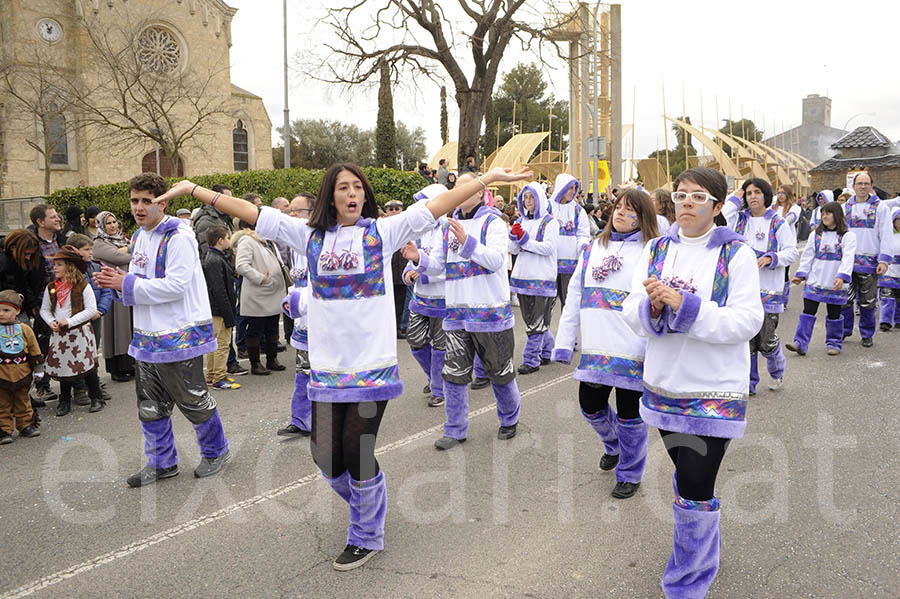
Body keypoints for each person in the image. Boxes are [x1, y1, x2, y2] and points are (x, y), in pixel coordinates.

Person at [157, 163, 532, 570]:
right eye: (342, 188)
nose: (352, 193)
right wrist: (195, 189)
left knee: (357, 450)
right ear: (330, 197)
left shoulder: (382, 232)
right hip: (327, 370)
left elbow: (440, 203)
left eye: (357, 187)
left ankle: (366, 533)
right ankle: (369, 506)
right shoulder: (309, 236)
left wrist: (488, 179)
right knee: (325, 457)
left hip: (372, 368)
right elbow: (253, 215)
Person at [622, 167, 763, 599]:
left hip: (714, 391)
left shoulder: (736, 254)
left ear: (718, 207)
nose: (687, 203)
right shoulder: (657, 249)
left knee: (695, 484)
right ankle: (700, 548)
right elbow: (629, 309)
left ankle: (688, 582)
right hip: (666, 386)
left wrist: (686, 305)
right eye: (681, 195)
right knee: (689, 481)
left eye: (699, 197)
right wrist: (652, 306)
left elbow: (747, 320)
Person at [94, 173, 230, 488]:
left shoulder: (178, 237)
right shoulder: (140, 236)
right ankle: (162, 462)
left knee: (192, 399)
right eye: (134, 201)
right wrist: (118, 281)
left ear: (163, 202)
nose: (139, 208)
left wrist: (126, 283)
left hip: (177, 333)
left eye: (147, 201)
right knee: (150, 404)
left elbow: (176, 286)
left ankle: (216, 450)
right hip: (147, 336)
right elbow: (140, 281)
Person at [406, 172, 523, 451]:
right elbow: (438, 266)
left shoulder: (493, 221)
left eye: (467, 186)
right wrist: (418, 258)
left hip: (490, 314)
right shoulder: (448, 225)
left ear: (480, 192)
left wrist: (468, 242)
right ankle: (455, 429)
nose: (461, 191)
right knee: (454, 374)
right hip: (456, 315)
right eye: (457, 187)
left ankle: (509, 418)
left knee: (499, 372)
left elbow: (496, 260)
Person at [553, 189, 658, 499]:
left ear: (643, 217)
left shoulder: (651, 250)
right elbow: (574, 296)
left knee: (630, 416)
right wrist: (564, 340)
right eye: (619, 207)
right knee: (590, 406)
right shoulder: (592, 248)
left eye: (631, 209)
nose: (621, 213)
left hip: (632, 348)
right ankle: (613, 445)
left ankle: (630, 471)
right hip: (596, 348)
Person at [722, 179, 798, 394]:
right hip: (741, 290)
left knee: (765, 340)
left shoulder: (778, 222)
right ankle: (749, 383)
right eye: (748, 193)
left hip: (768, 290)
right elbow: (719, 219)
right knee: (746, 340)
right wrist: (734, 200)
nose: (752, 196)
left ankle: (776, 370)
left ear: (766, 195)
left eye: (757, 192)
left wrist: (771, 258)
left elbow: (791, 251)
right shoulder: (737, 219)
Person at [40, 245, 104, 415]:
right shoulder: (51, 288)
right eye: (55, 265)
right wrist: (51, 321)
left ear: (69, 266)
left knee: (87, 365)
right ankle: (65, 400)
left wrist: (69, 321)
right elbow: (44, 309)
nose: (54, 268)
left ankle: (96, 396)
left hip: (80, 332)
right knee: (63, 368)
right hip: (60, 334)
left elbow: (91, 310)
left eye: (58, 264)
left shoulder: (83, 286)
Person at [786, 201, 855, 356]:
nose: (824, 216)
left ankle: (834, 343)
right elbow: (808, 256)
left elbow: (848, 258)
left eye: (828, 213)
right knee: (808, 311)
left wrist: (841, 276)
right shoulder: (816, 235)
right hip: (815, 280)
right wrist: (801, 274)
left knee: (834, 314)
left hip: (834, 282)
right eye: (823, 213)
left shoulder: (847, 236)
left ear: (837, 215)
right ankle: (800, 343)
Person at [402, 184, 449, 408]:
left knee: (441, 345)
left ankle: (440, 388)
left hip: (442, 297)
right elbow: (410, 261)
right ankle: (434, 377)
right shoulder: (419, 231)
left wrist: (422, 274)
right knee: (415, 341)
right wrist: (408, 274)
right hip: (420, 298)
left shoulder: (449, 228)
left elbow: (448, 268)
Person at [508, 182, 559, 374]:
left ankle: (531, 360)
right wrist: (514, 239)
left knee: (537, 320)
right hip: (522, 277)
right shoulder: (519, 221)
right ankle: (548, 350)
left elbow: (548, 248)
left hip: (542, 277)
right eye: (525, 198)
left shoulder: (550, 222)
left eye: (532, 197)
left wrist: (525, 241)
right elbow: (513, 250)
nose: (528, 201)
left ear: (540, 199)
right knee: (531, 320)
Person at [277, 193, 315, 436]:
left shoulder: (319, 241)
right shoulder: (294, 245)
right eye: (289, 211)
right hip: (303, 321)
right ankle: (301, 420)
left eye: (297, 212)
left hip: (324, 323)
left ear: (311, 214)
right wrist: (289, 301)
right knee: (303, 370)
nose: (291, 216)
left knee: (323, 373)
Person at [840, 172, 892, 346]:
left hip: (870, 263)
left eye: (866, 183)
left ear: (871, 185)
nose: (863, 186)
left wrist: (884, 260)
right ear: (853, 186)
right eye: (859, 183)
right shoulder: (845, 207)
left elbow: (886, 235)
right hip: (847, 263)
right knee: (845, 299)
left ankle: (867, 334)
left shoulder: (881, 207)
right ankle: (844, 330)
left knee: (868, 302)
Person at [232, 219, 287, 375]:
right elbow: (241, 265)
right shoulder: (247, 240)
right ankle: (255, 363)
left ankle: (272, 359)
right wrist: (260, 278)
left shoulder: (263, 241)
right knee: (255, 329)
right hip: (258, 293)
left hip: (271, 291)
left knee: (272, 327)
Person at [68, 234, 114, 404]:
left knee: (92, 350)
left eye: (91, 249)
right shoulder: (70, 269)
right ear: (75, 251)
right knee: (77, 352)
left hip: (94, 317)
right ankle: (79, 387)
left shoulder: (95, 267)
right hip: (77, 319)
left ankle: (94, 383)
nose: (90, 253)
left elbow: (106, 290)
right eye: (86, 249)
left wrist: (100, 310)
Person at [91, 211, 135, 382]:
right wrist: (132, 251)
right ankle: (117, 368)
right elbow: (118, 257)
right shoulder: (99, 243)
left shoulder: (121, 240)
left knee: (129, 327)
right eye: (108, 223)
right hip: (111, 290)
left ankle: (130, 365)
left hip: (127, 287)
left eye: (114, 221)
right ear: (101, 225)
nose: (112, 226)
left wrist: (127, 249)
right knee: (116, 327)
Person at [27, 204, 65, 403]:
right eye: (53, 217)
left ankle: (75, 381)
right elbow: (27, 275)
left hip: (65, 299)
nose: (58, 218)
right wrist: (33, 301)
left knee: (67, 340)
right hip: (43, 301)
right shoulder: (31, 244)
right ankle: (42, 385)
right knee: (43, 344)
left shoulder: (62, 239)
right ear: (40, 222)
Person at [0, 290, 43, 444]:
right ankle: (4, 429)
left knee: (23, 401)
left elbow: (34, 349)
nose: (1, 314)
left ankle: (26, 425)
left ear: (17, 310)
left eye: (6, 310)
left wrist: (38, 370)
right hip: (2, 375)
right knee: (2, 404)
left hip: (22, 373)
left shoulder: (25, 329)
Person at [202, 225, 240, 390]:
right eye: (227, 237)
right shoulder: (216, 260)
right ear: (220, 240)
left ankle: (211, 375)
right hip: (219, 309)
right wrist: (229, 314)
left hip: (215, 308)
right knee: (222, 344)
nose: (229, 240)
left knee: (213, 344)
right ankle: (219, 377)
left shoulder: (213, 257)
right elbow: (220, 290)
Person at [550, 173, 590, 309]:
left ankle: (565, 329)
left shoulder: (578, 210)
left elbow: (583, 233)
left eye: (574, 188)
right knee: (547, 303)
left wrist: (583, 245)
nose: (573, 191)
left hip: (570, 263)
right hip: (549, 262)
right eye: (569, 188)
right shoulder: (547, 208)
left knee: (568, 303)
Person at [192, 184, 235, 259]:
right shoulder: (206, 221)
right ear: (216, 199)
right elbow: (208, 254)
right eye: (227, 199)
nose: (231, 202)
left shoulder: (226, 217)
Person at [877, 207, 900, 331]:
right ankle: (885, 321)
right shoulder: (887, 235)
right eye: (898, 219)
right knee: (887, 297)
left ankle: (898, 319)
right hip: (889, 272)